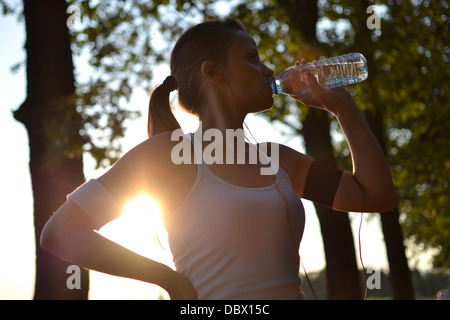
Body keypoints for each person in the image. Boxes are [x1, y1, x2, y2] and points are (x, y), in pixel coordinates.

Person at [40, 18, 399, 300]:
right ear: (213, 72)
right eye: (251, 58)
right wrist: (168, 280)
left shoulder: (278, 160)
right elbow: (61, 233)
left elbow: (374, 195)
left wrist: (343, 107)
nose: (268, 71)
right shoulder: (170, 154)